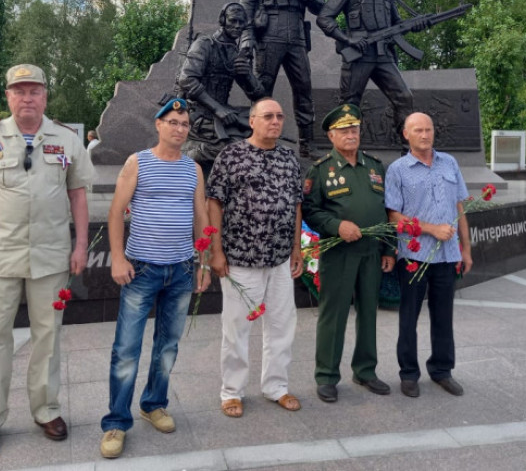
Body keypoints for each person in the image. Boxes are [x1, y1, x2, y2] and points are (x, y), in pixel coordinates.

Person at [0, 63, 95, 457]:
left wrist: (81, 246)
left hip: (50, 256)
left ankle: (46, 410)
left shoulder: (66, 139)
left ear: (45, 96)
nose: (27, 98)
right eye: (19, 91)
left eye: (34, 91)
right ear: (8, 97)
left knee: (48, 336)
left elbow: (78, 196)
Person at [99, 97, 209, 459]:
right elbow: (116, 212)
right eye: (173, 122)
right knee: (126, 349)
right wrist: (117, 257)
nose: (179, 129)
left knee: (167, 346)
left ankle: (154, 404)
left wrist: (204, 263)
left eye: (184, 124)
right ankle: (117, 421)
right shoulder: (138, 162)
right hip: (142, 270)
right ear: (158, 125)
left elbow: (201, 218)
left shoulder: (193, 169)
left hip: (181, 270)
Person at [206, 97, 304, 418]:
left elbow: (296, 204)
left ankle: (276, 386)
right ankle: (232, 391)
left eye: (279, 116)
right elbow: (214, 203)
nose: (275, 121)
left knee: (281, 325)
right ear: (252, 121)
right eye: (268, 116)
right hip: (240, 259)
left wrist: (296, 247)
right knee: (237, 329)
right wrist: (216, 251)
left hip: (279, 258)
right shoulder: (231, 156)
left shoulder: (289, 158)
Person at [301, 104, 394, 403]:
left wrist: (389, 248)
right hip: (339, 253)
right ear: (331, 135)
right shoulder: (321, 170)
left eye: (354, 129)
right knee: (334, 314)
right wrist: (336, 226)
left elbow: (387, 210)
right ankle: (327, 375)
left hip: (371, 252)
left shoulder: (375, 167)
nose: (350, 134)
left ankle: (365, 370)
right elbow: (310, 210)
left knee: (369, 312)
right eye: (343, 130)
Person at [384, 112, 473, 399]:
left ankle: (442, 370)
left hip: (447, 255)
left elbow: (459, 207)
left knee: (444, 316)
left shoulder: (449, 163)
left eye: (429, 129)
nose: (425, 135)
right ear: (406, 134)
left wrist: (466, 249)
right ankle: (409, 374)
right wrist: (431, 229)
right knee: (409, 317)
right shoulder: (397, 170)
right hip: (414, 256)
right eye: (418, 130)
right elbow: (393, 216)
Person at [316, 0, 429, 140]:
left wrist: (416, 25)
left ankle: (407, 149)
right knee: (349, 105)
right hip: (359, 55)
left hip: (383, 55)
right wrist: (347, 40)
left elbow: (397, 25)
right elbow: (324, 18)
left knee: (404, 97)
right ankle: (346, 150)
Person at [239, 0, 325, 158]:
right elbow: (246, 2)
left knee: (304, 88)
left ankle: (307, 143)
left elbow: (321, 7)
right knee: (262, 90)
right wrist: (247, 36)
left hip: (297, 36)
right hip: (269, 35)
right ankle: (258, 141)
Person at [177, 2, 266, 169]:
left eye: (241, 22)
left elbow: (259, 96)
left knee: (263, 131)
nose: (237, 26)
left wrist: (247, 76)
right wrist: (218, 109)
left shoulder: (235, 53)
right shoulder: (204, 44)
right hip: (199, 115)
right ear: (223, 20)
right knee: (239, 149)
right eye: (233, 20)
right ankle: (194, 153)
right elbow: (187, 80)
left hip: (224, 114)